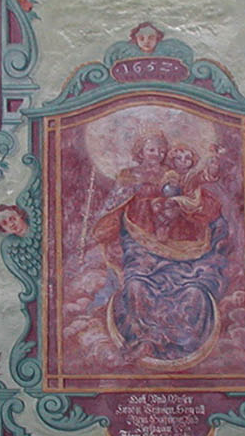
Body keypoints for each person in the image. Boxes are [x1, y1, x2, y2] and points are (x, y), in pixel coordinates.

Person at [91, 133, 229, 364]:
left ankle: (175, 339)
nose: (159, 154)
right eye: (153, 149)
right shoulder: (129, 176)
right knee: (136, 285)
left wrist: (176, 208)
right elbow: (116, 204)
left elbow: (195, 195)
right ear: (140, 152)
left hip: (178, 248)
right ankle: (143, 339)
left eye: (162, 151)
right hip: (139, 243)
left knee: (192, 292)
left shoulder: (173, 176)